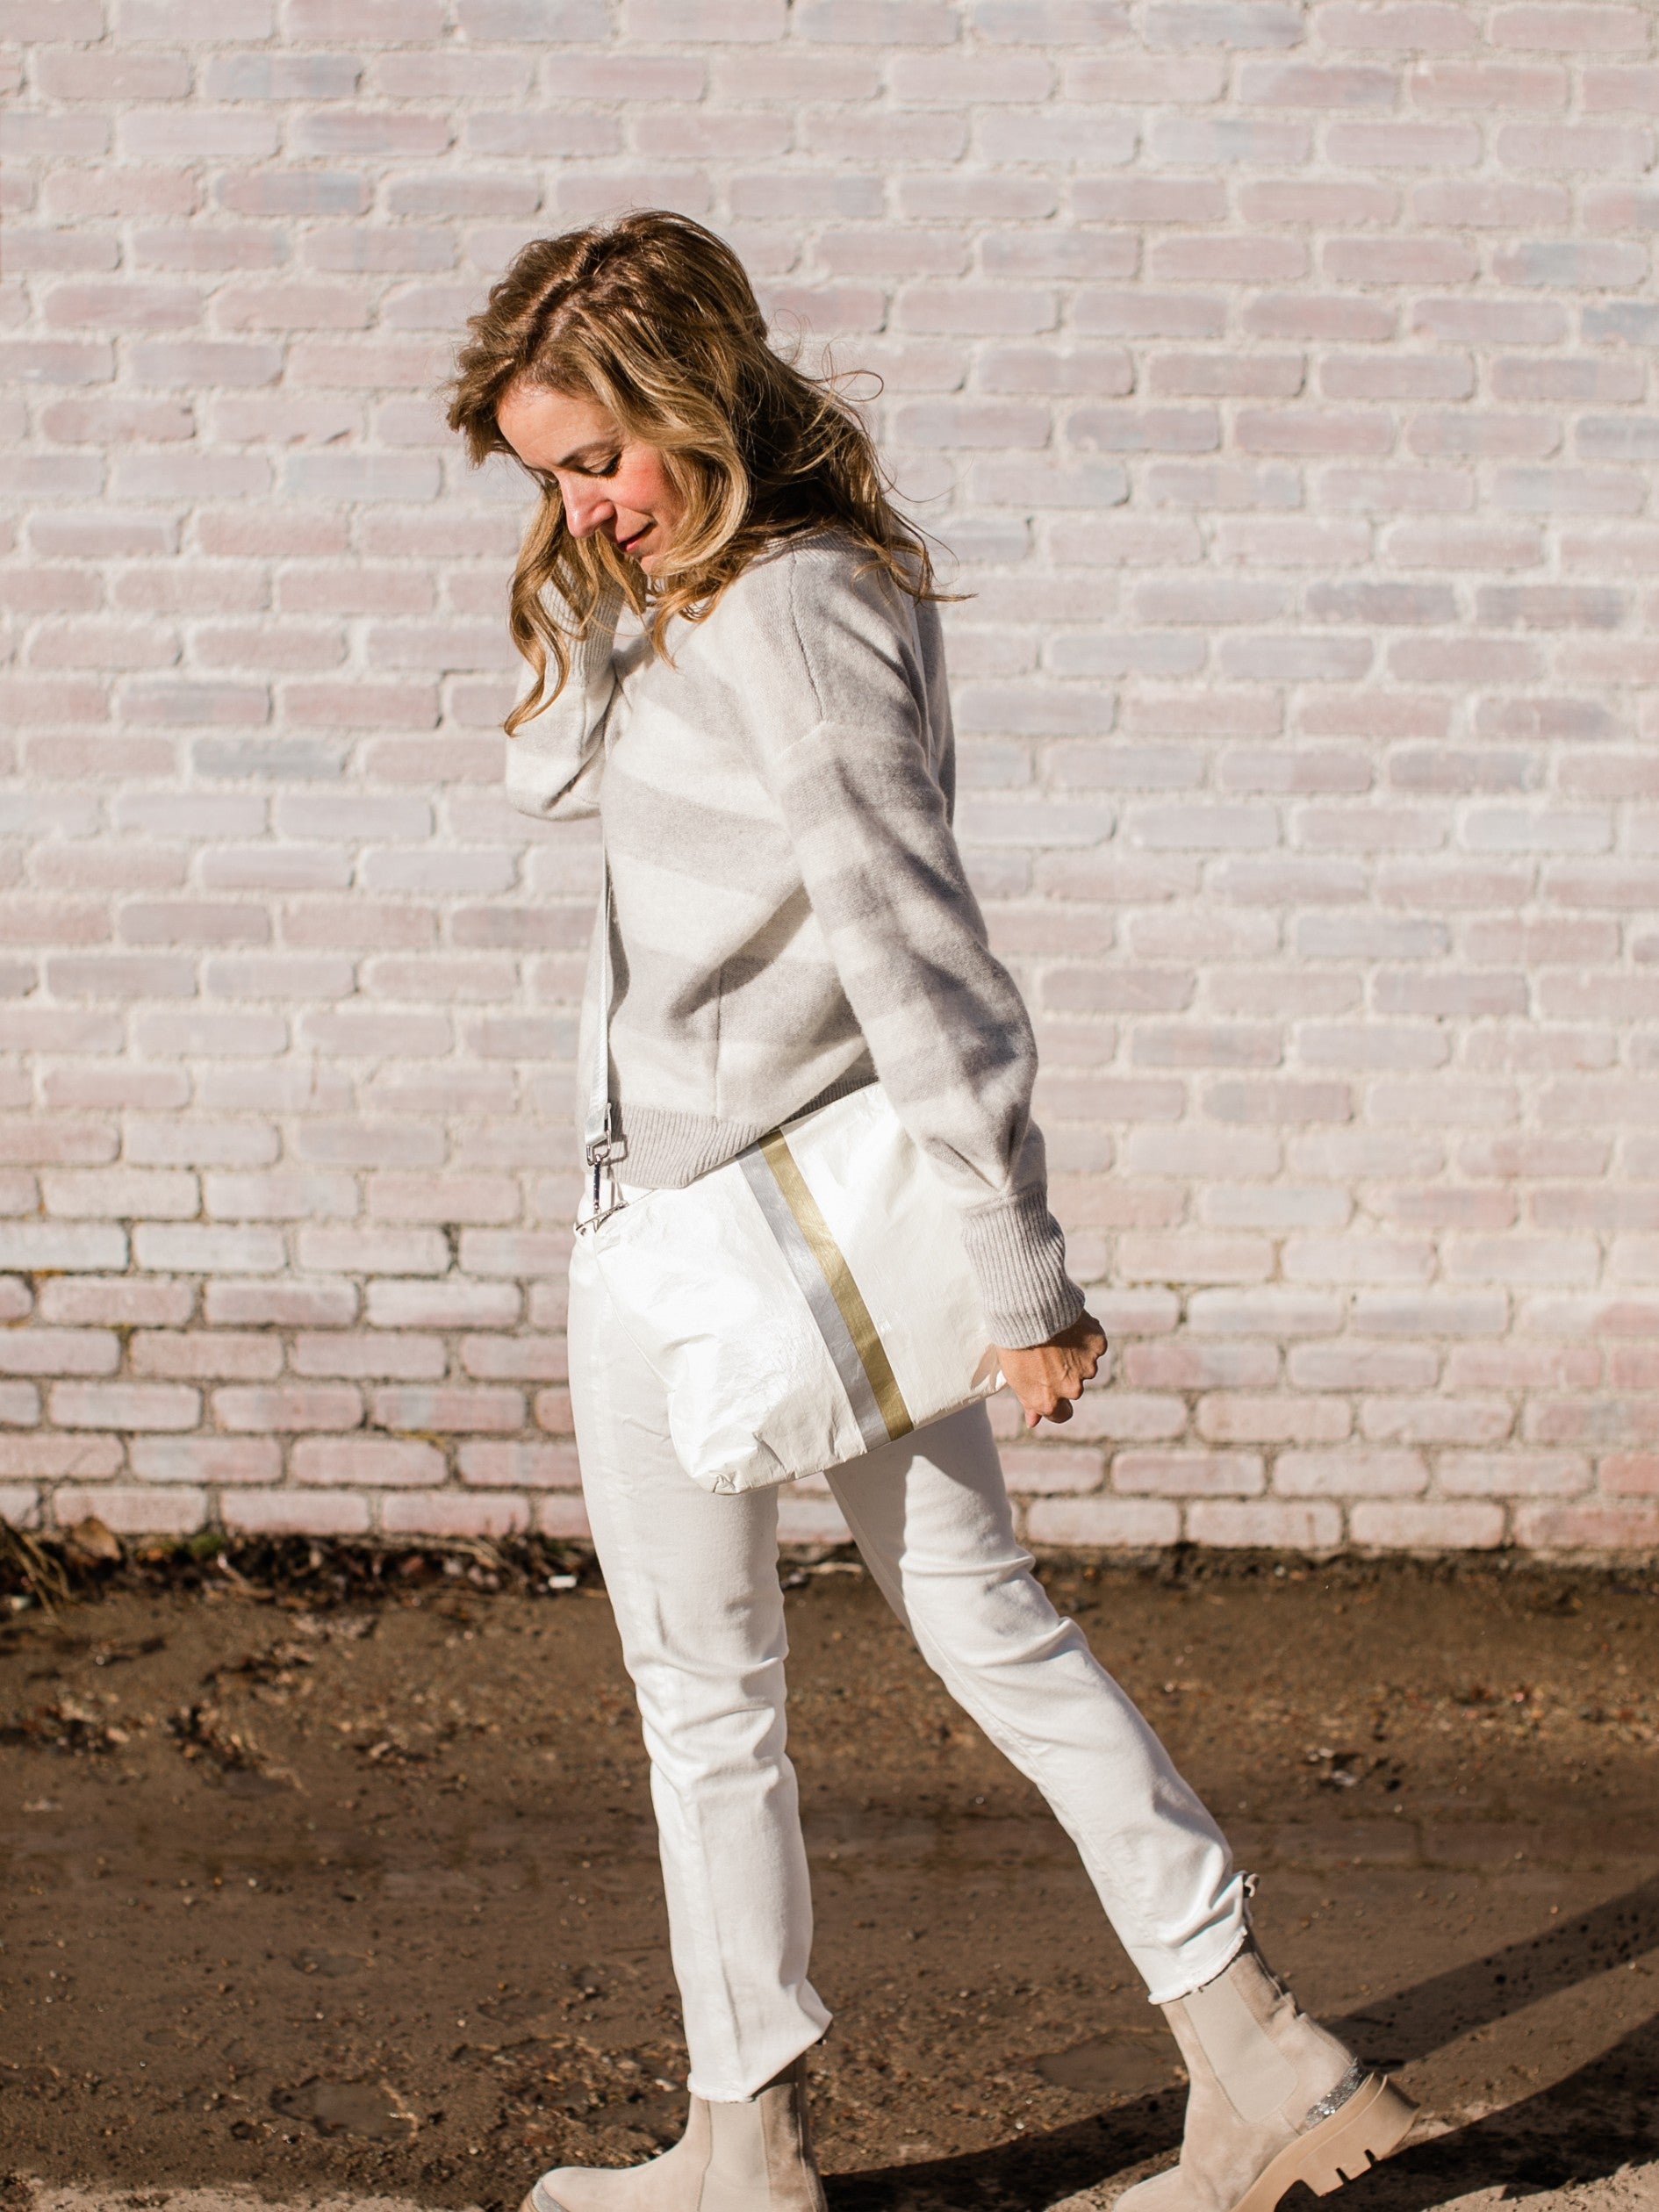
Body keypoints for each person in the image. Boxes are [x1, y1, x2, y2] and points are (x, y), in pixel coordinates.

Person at [447, 210, 1416, 2212]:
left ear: (695, 399)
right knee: (929, 1642)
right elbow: (542, 781)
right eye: (548, 476)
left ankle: (784, 2148)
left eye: (600, 460)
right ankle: (1238, 2059)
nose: (581, 505)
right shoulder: (721, 589)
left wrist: (1022, 1272)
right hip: (738, 1219)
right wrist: (590, 579)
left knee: (745, 1692)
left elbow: (920, 949)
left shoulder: (784, 617)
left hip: (738, 1230)